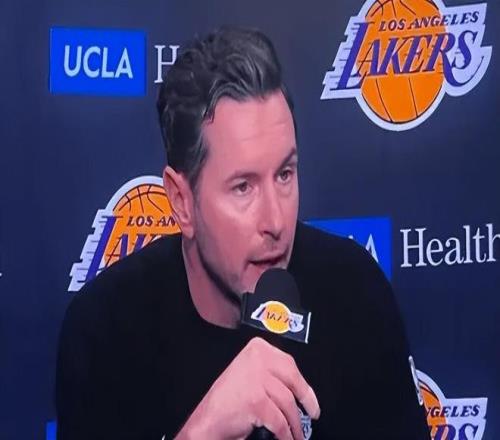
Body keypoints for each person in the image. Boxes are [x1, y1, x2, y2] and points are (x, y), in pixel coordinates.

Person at [56, 26, 430, 439]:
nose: (275, 221)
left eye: (284, 174)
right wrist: (202, 432)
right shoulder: (104, 332)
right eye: (243, 187)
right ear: (182, 202)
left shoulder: (356, 293)